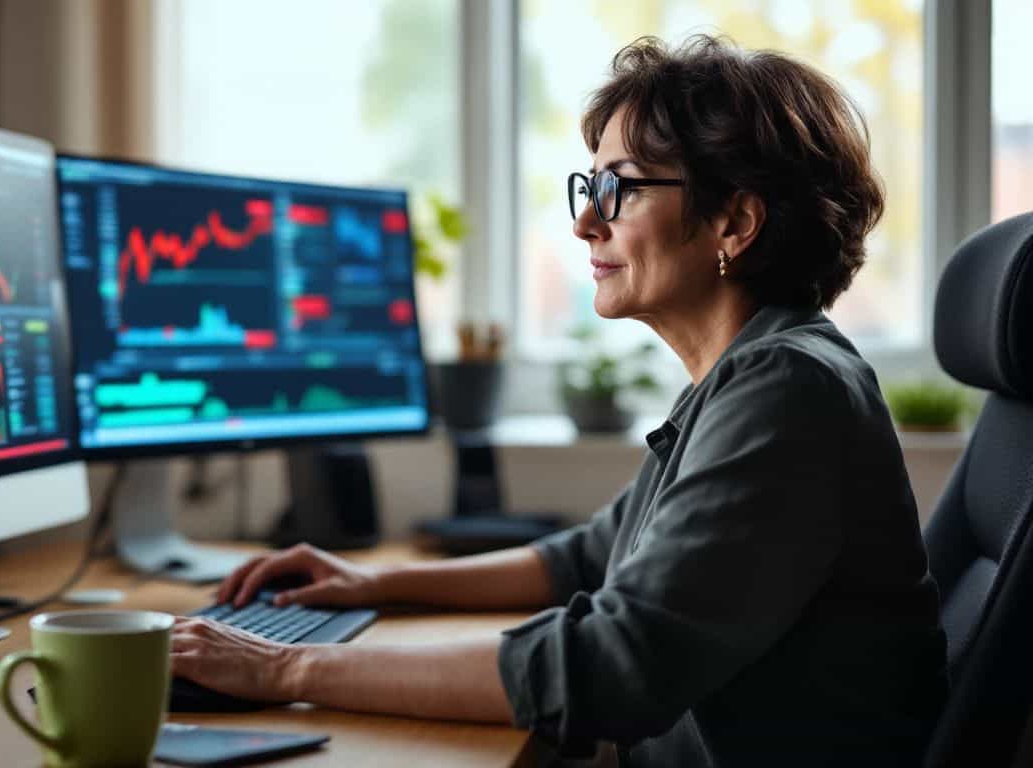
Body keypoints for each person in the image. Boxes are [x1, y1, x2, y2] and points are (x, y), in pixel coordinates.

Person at [170, 35, 947, 767]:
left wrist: (287, 669)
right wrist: (374, 584)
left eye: (621, 189)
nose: (584, 222)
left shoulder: (788, 390)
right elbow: (587, 556)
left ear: (736, 223)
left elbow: (612, 667)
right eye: (591, 186)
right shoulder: (750, 375)